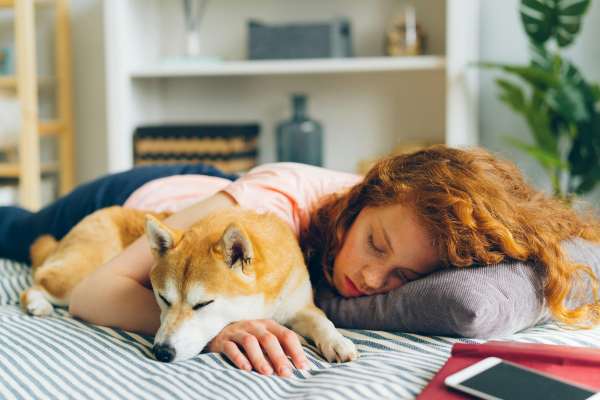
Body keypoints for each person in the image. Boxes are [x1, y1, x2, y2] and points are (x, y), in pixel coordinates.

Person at [1, 145, 599, 378]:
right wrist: (216, 327)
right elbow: (92, 293)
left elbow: (569, 257)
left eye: (401, 278)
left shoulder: (415, 225)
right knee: (19, 227)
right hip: (143, 204)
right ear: (366, 196)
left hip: (228, 215)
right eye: (376, 246)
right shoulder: (276, 197)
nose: (369, 279)